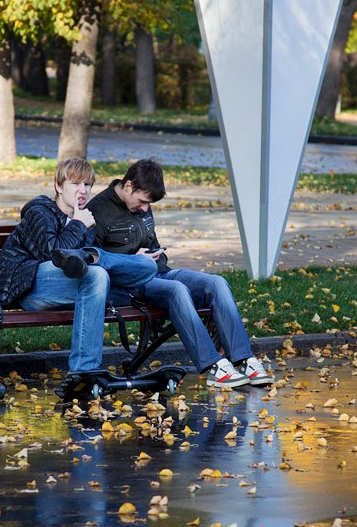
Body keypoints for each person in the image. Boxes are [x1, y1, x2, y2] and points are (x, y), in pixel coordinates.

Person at [86, 158, 274, 389]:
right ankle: (213, 366)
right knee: (176, 290)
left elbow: (152, 241)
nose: (145, 208)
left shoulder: (140, 204)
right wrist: (135, 260)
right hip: (127, 285)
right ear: (128, 186)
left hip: (160, 273)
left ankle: (245, 359)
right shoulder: (97, 211)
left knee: (216, 283)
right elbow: (94, 262)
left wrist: (155, 256)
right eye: (143, 201)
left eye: (149, 203)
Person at [0, 157, 159, 375]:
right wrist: (79, 225)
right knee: (98, 274)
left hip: (70, 286)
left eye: (87, 184)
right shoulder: (41, 212)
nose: (82, 190)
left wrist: (82, 225)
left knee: (147, 267)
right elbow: (50, 252)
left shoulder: (86, 219)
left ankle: (91, 257)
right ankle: (84, 371)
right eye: (75, 184)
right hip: (31, 287)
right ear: (58, 186)